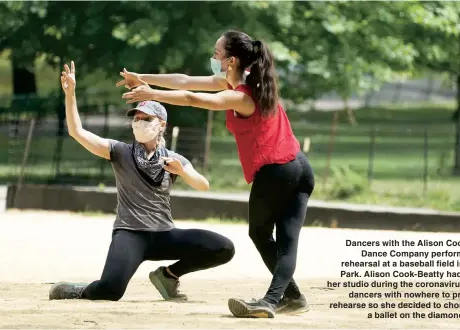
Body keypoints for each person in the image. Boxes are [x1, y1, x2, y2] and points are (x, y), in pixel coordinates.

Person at [117, 30, 315, 318]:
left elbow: (191, 98)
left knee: (263, 235)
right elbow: (183, 82)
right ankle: (292, 299)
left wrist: (151, 94)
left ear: (231, 61)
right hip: (299, 167)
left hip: (277, 172)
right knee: (284, 240)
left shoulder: (242, 97)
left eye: (216, 53)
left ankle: (273, 301)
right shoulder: (246, 85)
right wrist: (143, 78)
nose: (213, 57)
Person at [48, 61, 235, 302]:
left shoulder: (173, 159)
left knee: (223, 248)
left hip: (164, 234)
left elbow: (203, 185)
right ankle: (79, 290)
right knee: (110, 291)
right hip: (130, 233)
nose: (139, 122)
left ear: (161, 125)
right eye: (136, 117)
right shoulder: (120, 151)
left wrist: (184, 172)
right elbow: (78, 132)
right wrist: (70, 94)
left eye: (147, 118)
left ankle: (169, 275)